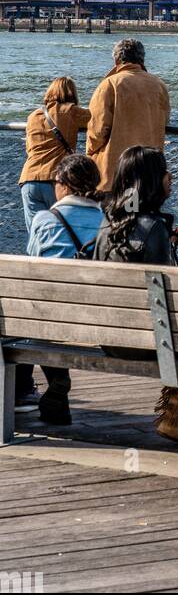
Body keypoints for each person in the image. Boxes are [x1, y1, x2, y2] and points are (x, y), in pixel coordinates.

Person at [93, 147, 178, 445]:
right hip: (146, 343)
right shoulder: (153, 228)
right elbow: (167, 301)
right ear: (153, 181)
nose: (170, 177)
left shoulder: (107, 223)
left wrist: (166, 239)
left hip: (110, 337)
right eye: (165, 171)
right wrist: (163, 242)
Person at [15, 153, 105, 424]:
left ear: (64, 185)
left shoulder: (44, 220)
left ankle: (26, 390)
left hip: (51, 319)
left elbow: (32, 266)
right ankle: (49, 387)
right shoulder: (109, 222)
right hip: (102, 321)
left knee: (27, 314)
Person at [86, 40, 171, 190]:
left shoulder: (109, 84)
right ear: (142, 60)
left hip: (115, 173)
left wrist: (90, 153)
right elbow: (165, 121)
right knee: (140, 212)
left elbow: (97, 129)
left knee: (116, 212)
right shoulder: (159, 85)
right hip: (149, 172)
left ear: (116, 59)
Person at [19, 77, 90, 230]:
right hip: (56, 179)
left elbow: (29, 148)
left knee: (37, 234)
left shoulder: (33, 116)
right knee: (62, 232)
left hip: (29, 179)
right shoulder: (72, 111)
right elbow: (98, 120)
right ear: (72, 93)